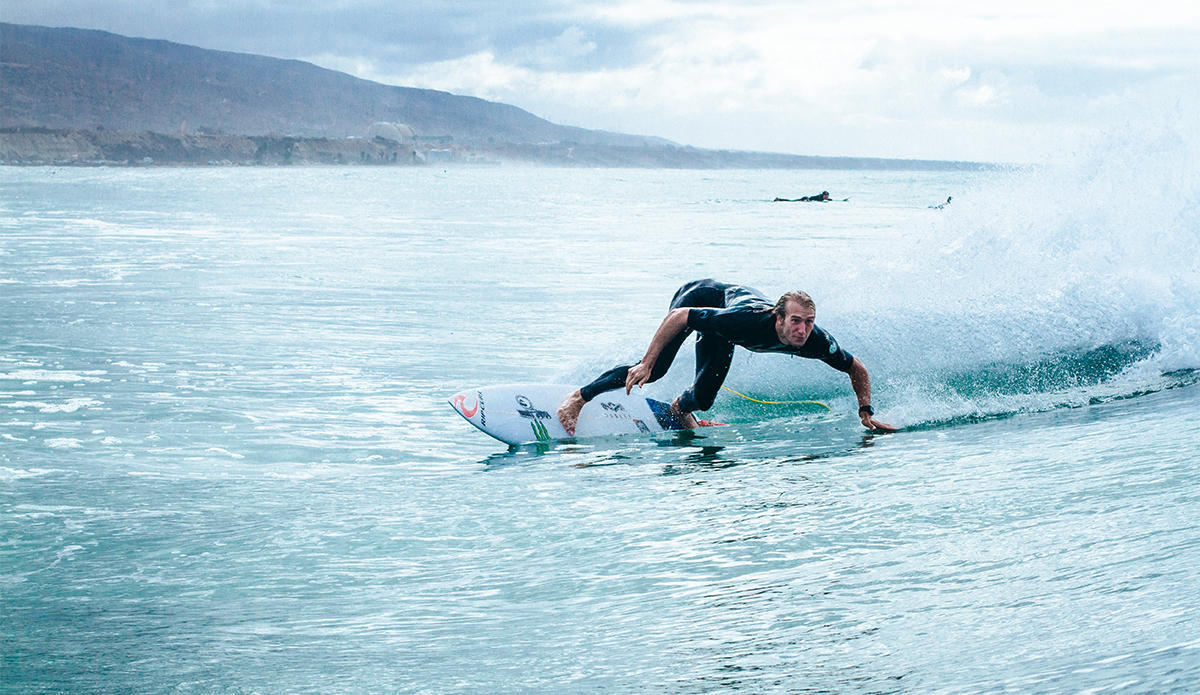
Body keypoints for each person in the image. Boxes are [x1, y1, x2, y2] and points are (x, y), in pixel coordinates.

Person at [556, 279, 896, 435]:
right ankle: (579, 397)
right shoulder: (746, 321)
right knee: (655, 371)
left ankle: (680, 409)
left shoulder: (815, 341)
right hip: (700, 298)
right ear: (778, 318)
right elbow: (680, 317)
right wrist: (646, 362)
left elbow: (856, 368)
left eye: (809, 322)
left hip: (722, 328)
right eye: (796, 321)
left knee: (703, 400)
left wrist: (865, 412)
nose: (802, 330)